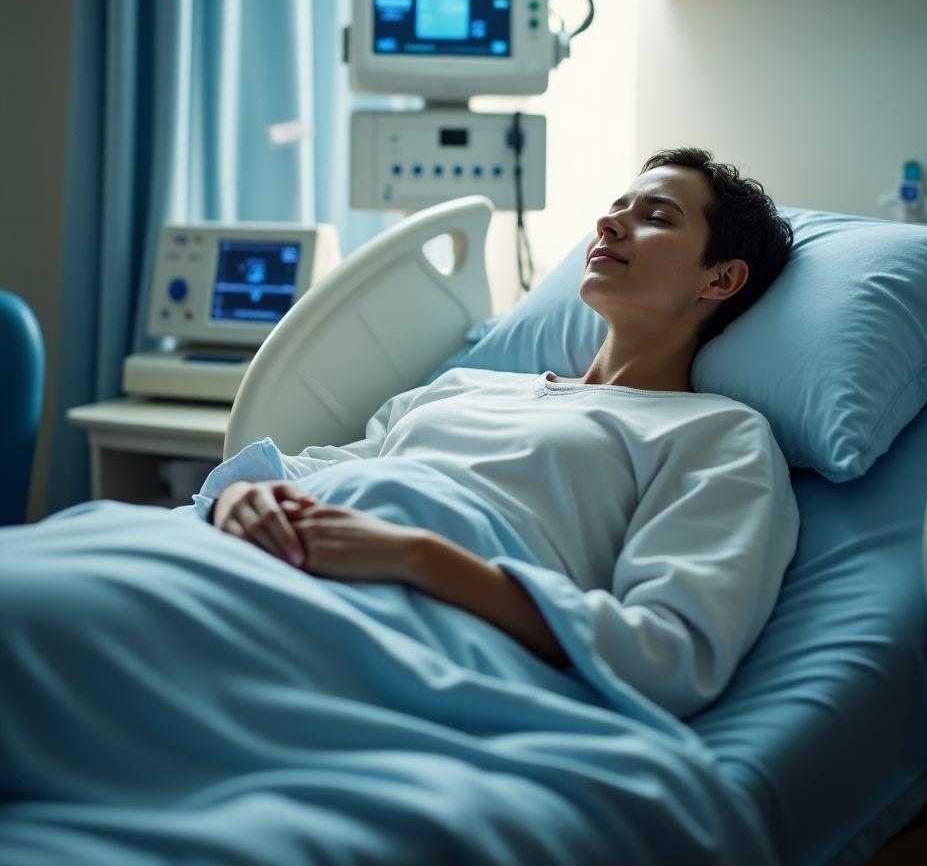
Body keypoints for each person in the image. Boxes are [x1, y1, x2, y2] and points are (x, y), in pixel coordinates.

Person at [196, 145, 800, 712]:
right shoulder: (462, 386)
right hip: (271, 560)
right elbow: (321, 471)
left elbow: (669, 654)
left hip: (411, 626)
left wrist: (419, 558)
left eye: (657, 217)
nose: (610, 223)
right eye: (616, 208)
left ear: (719, 279)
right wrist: (243, 497)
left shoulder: (718, 434)